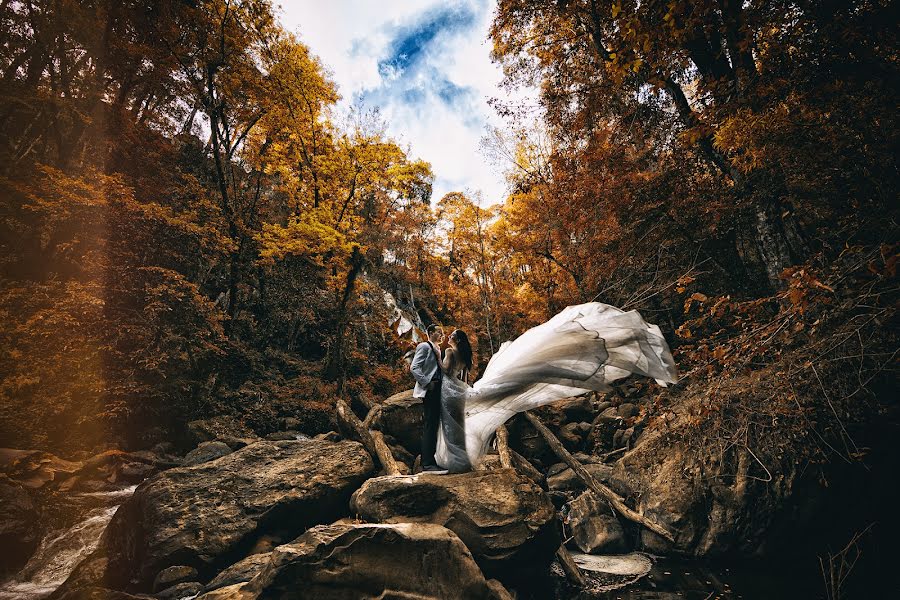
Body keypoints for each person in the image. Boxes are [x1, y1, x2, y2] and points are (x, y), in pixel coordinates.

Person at [434, 302, 678, 471]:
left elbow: (445, 371)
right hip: (462, 388)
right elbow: (463, 378)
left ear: (454, 340)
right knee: (514, 383)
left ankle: (455, 460)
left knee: (475, 409)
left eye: (450, 338)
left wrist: (435, 357)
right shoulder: (465, 355)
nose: (448, 340)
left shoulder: (448, 352)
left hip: (456, 390)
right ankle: (458, 460)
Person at [409, 324, 446, 472]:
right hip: (431, 389)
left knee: (435, 424)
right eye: (439, 332)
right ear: (430, 333)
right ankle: (427, 463)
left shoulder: (437, 348)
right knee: (430, 425)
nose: (442, 334)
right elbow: (414, 367)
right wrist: (427, 383)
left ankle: (432, 460)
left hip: (439, 389)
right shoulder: (424, 346)